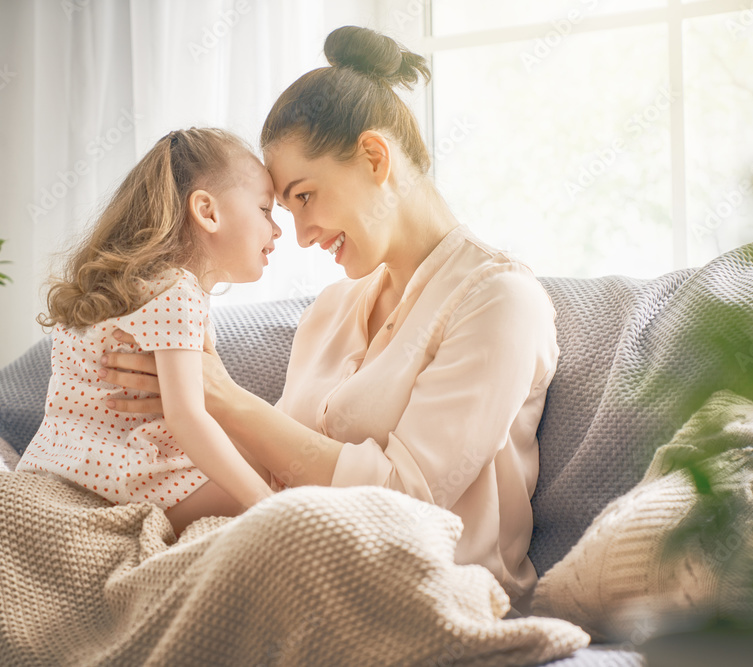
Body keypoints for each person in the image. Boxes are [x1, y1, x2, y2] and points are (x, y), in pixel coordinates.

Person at [99, 26, 560, 610]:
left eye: (305, 197)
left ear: (374, 157)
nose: (301, 234)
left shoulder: (499, 302)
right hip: (300, 563)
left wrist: (219, 397)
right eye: (283, 210)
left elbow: (408, 502)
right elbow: (281, 480)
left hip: (427, 590)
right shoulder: (331, 310)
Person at [15, 127, 282, 538]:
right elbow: (187, 417)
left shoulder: (137, 285)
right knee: (271, 470)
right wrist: (267, 507)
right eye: (266, 210)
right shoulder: (179, 292)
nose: (277, 230)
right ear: (208, 212)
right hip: (123, 482)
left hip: (54, 468)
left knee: (257, 455)